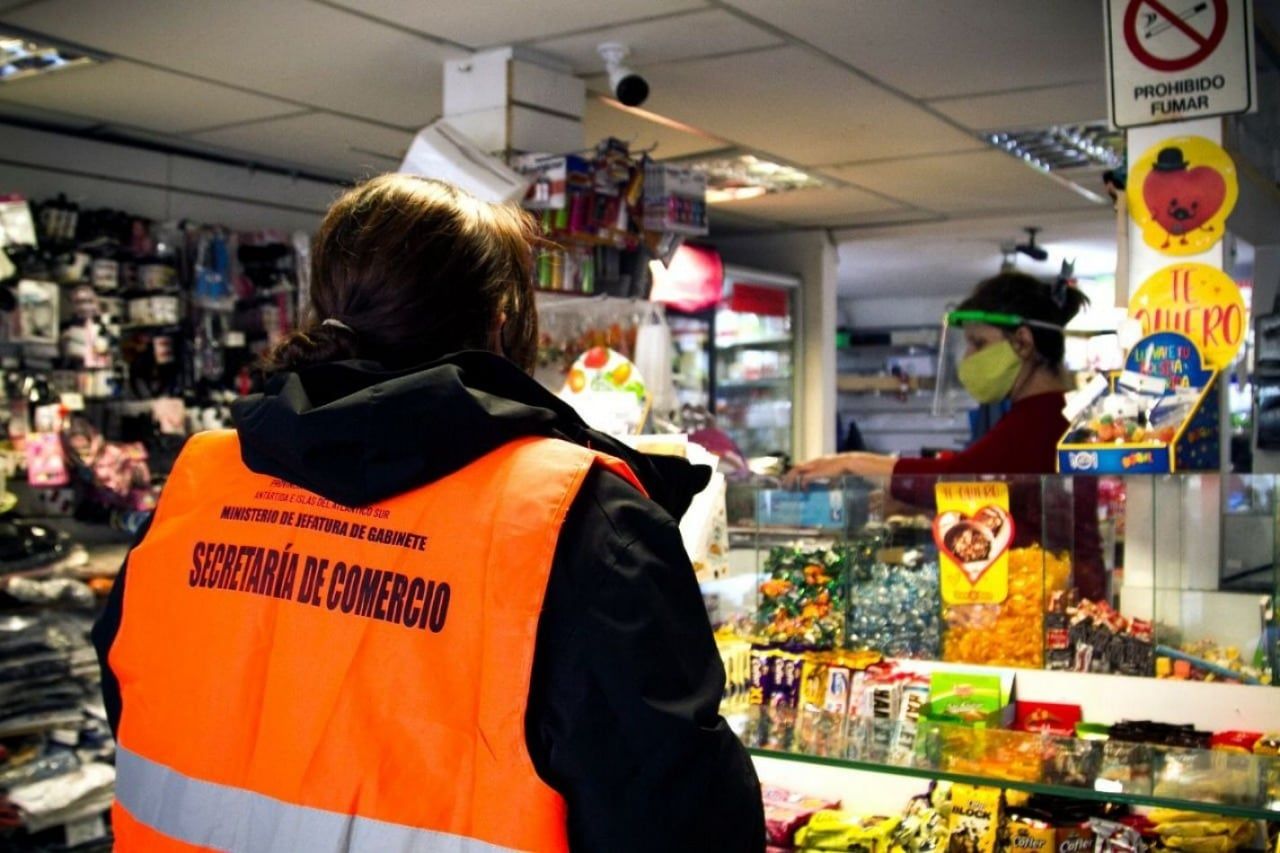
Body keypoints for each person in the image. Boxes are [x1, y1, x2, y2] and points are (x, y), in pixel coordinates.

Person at [92, 175, 764, 852]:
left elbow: (138, 699)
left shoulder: (200, 480)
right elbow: (683, 819)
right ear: (499, 323)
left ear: (325, 306)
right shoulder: (572, 516)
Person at [788, 272, 1105, 599]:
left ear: (1023, 342)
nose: (968, 359)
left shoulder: (1043, 417)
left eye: (978, 343)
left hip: (1056, 601)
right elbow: (997, 487)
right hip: (1056, 592)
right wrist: (916, 505)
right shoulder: (1050, 412)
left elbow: (959, 475)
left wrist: (852, 462)